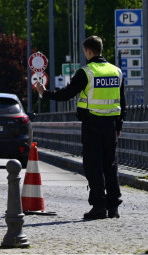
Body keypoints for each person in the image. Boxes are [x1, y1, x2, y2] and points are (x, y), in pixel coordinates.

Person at [35, 35, 126, 220]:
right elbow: (122, 101)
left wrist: (44, 93)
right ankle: (113, 207)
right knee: (110, 165)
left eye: (85, 51)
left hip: (92, 124)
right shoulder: (116, 71)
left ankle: (99, 206)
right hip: (110, 125)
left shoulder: (87, 72)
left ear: (89, 51)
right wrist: (119, 124)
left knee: (93, 165)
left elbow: (67, 94)